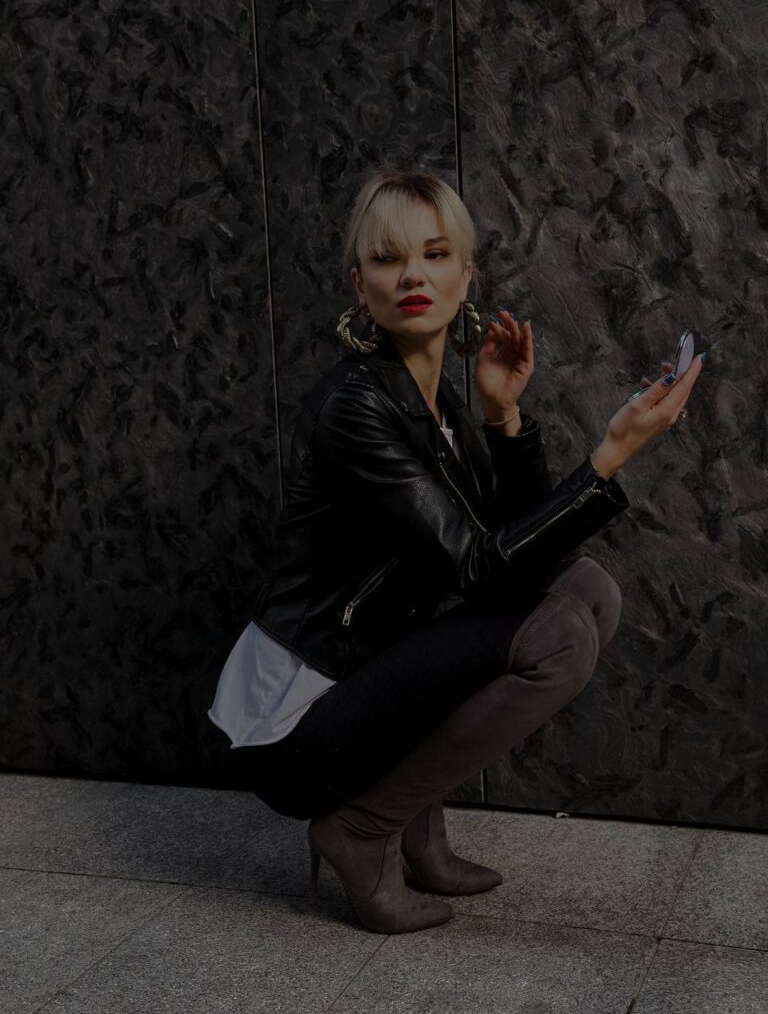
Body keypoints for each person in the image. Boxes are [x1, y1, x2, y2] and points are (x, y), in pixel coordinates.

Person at [207, 168, 705, 935]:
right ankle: (362, 828)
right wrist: (609, 456)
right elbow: (480, 570)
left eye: (435, 254)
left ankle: (418, 831)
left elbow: (521, 559)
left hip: (365, 678)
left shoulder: (438, 406)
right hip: (292, 725)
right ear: (360, 285)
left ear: (465, 275)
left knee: (587, 590)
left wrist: (503, 417)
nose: (413, 275)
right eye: (388, 258)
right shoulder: (356, 408)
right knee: (558, 635)